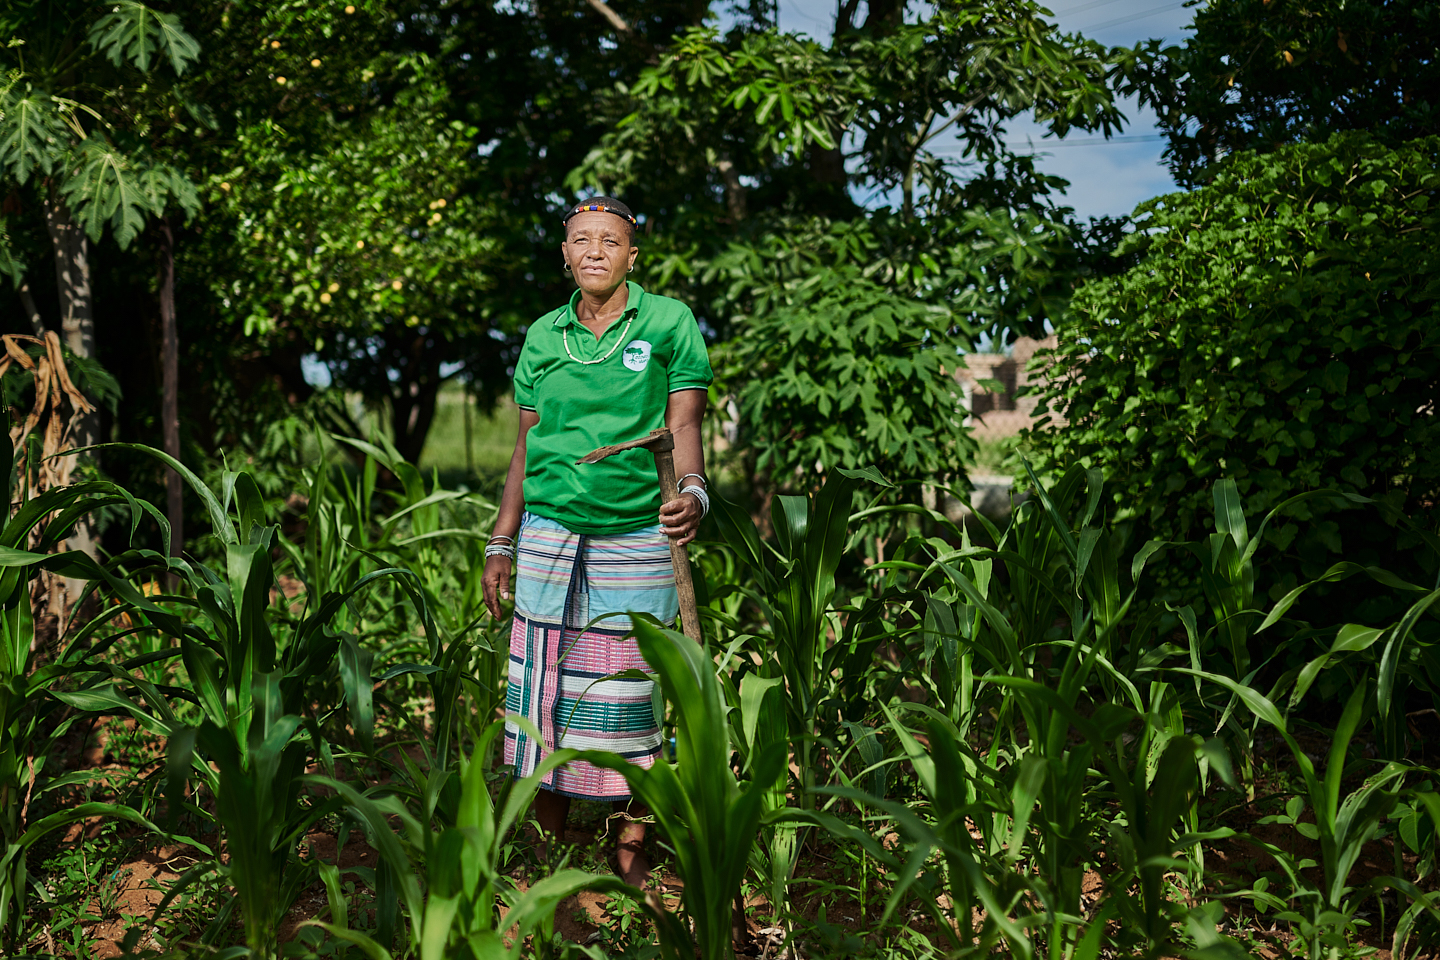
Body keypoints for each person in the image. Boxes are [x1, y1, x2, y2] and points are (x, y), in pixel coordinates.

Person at [481, 196, 711, 888]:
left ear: (632, 256)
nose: (594, 251)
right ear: (564, 253)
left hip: (639, 533)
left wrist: (693, 493)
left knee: (630, 686)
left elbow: (687, 422)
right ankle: (544, 845)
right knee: (544, 687)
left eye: (610, 241)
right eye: (581, 239)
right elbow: (525, 447)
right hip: (551, 534)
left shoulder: (669, 321)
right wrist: (502, 539)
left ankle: (631, 844)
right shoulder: (544, 335)